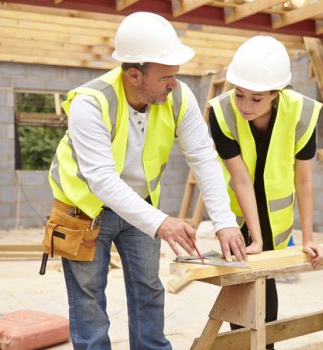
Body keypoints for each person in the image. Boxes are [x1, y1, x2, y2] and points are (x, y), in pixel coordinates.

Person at [47, 12, 247, 350]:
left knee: (148, 289)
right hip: (83, 209)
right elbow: (102, 181)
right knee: (89, 300)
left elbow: (203, 157)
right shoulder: (90, 103)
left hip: (139, 206)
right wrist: (162, 223)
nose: (174, 83)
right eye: (166, 76)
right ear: (135, 74)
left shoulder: (178, 97)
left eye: (175, 75)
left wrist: (225, 222)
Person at [209, 35, 323, 350]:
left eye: (256, 98)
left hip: (277, 217)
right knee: (243, 280)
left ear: (277, 93)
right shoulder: (221, 113)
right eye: (239, 94)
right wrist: (255, 239)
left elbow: (303, 180)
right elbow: (241, 179)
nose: (245, 106)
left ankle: (265, 346)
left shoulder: (302, 113)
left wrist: (309, 238)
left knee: (267, 279)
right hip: (238, 211)